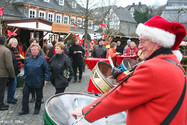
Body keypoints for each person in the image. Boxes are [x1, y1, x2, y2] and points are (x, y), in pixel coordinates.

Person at [71, 16, 187, 125]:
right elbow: (147, 88)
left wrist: (85, 111)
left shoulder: (153, 68)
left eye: (142, 41)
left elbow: (118, 97)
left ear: (157, 41)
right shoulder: (175, 66)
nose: (139, 46)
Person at [19, 43, 50, 115]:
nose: (33, 51)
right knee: (25, 95)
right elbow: (25, 69)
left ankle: (37, 109)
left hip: (38, 81)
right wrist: (25, 77)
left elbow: (47, 71)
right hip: (28, 81)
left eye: (34, 50)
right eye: (32, 50)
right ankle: (25, 109)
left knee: (38, 96)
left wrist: (46, 79)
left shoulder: (42, 59)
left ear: (38, 50)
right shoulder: (28, 59)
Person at [25, 38, 45, 103]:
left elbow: (43, 57)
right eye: (33, 42)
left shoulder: (40, 49)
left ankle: (40, 97)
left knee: (39, 86)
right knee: (31, 86)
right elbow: (26, 57)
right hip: (31, 70)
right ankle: (33, 97)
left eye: (35, 42)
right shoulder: (29, 49)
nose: (34, 43)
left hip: (38, 70)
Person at [0, 35, 15, 111]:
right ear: (5, 41)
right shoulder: (6, 51)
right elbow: (9, 65)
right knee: (2, 90)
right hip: (2, 74)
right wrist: (12, 74)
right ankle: (1, 104)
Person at [7, 38, 23, 104]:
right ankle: (10, 99)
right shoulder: (9, 51)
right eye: (14, 43)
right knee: (13, 85)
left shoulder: (15, 50)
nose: (15, 44)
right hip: (12, 71)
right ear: (11, 43)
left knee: (12, 85)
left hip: (16, 71)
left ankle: (11, 97)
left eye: (16, 43)